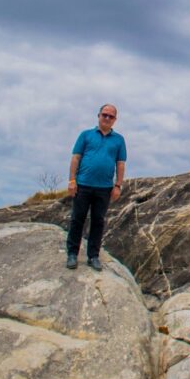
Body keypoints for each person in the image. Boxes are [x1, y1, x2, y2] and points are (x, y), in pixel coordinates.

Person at [65, 104, 126, 272]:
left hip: (104, 188)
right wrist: (72, 180)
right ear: (98, 116)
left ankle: (93, 256)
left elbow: (120, 164)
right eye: (104, 115)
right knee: (78, 219)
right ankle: (72, 254)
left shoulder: (119, 140)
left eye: (110, 116)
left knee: (98, 222)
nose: (107, 118)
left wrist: (118, 185)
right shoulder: (86, 135)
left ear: (115, 120)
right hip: (83, 185)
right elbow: (75, 158)